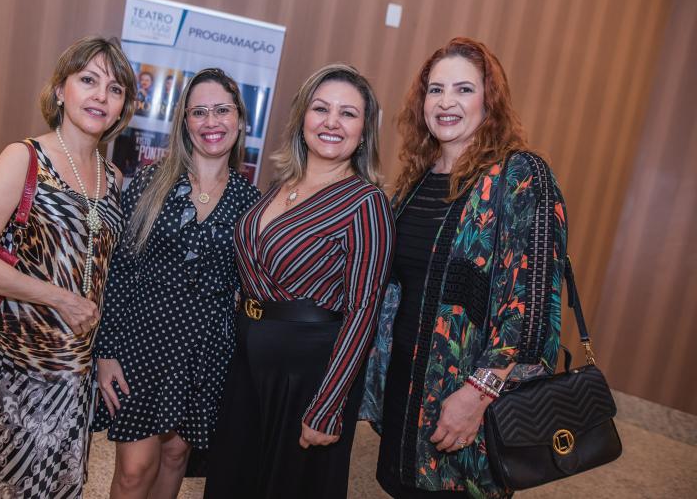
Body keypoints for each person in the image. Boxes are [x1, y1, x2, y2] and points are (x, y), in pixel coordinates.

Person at [371, 37, 568, 499]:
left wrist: (478, 394)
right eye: (435, 90)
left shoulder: (520, 176)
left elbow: (534, 307)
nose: (446, 102)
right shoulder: (416, 181)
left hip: (469, 398)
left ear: (489, 100)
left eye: (463, 89)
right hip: (405, 387)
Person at [0, 36, 137, 498]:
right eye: (88, 80)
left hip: (74, 374)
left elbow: (102, 275)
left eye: (114, 89)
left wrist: (103, 353)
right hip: (12, 368)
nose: (100, 96)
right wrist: (60, 299)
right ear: (59, 90)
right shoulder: (25, 158)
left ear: (122, 108)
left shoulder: (113, 178)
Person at [204, 63, 395, 499]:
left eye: (348, 113)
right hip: (248, 360)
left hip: (309, 372)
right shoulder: (280, 185)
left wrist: (328, 405)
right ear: (303, 117)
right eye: (321, 108)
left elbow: (363, 313)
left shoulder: (367, 204)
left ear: (364, 131)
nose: (332, 122)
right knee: (233, 479)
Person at [92, 67, 260, 499]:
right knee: (134, 471)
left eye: (222, 110)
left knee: (174, 457)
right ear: (185, 121)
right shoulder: (151, 182)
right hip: (142, 344)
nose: (211, 122)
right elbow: (120, 270)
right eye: (199, 112)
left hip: (206, 352)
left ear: (239, 119)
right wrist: (106, 352)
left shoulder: (253, 203)